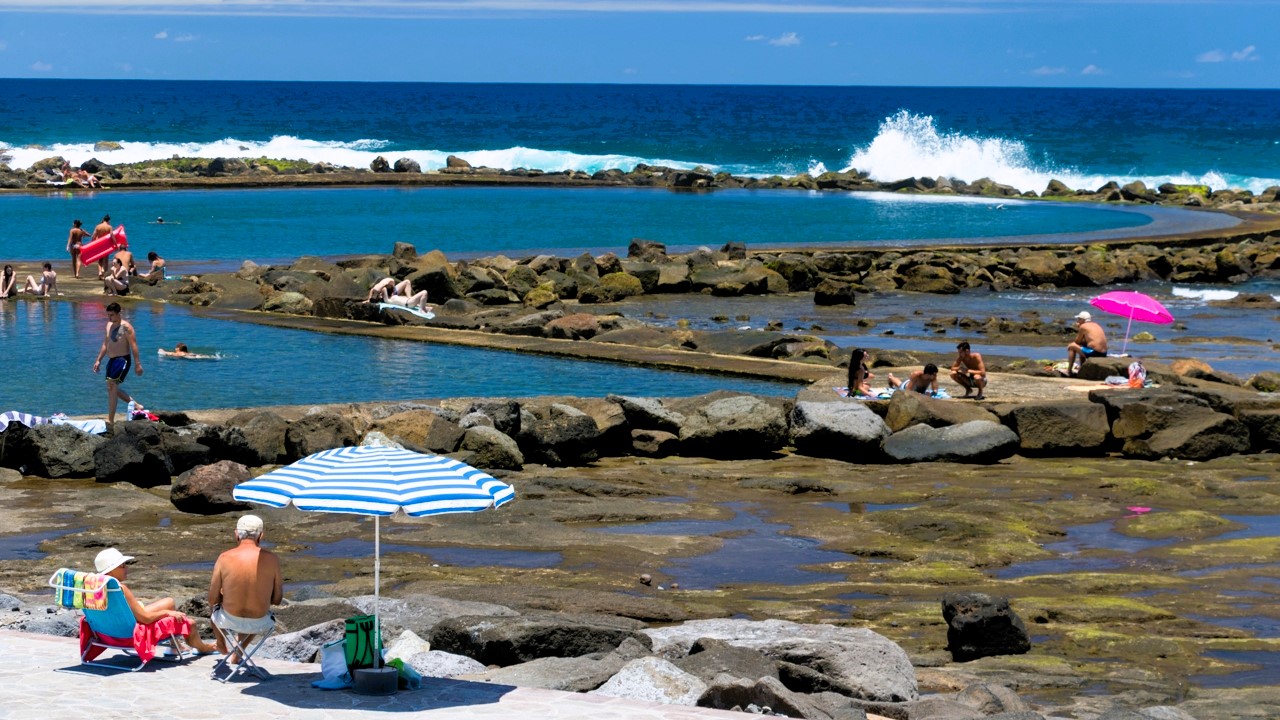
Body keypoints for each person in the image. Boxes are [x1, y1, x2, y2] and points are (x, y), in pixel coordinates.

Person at [93, 547, 218, 655]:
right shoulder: (119, 589)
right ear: (111, 570)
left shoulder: (94, 587)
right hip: (128, 635)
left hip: (106, 632)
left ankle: (175, 647)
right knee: (190, 623)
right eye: (122, 566)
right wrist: (167, 613)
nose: (127, 568)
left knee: (169, 602)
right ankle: (205, 648)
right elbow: (145, 619)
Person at [208, 515, 282, 662]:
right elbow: (277, 600)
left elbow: (212, 599)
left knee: (214, 607)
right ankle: (238, 654)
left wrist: (226, 595)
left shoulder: (224, 557)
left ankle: (221, 644)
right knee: (256, 606)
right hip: (259, 623)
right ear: (261, 535)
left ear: (236, 533)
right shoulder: (272, 559)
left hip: (227, 620)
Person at [92, 301, 145, 425]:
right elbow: (106, 344)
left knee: (112, 387)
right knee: (111, 388)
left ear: (119, 313)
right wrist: (98, 360)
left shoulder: (126, 327)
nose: (109, 318)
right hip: (112, 360)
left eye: (112, 315)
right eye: (108, 315)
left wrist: (138, 364)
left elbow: (134, 346)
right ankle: (137, 406)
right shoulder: (109, 326)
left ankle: (110, 419)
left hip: (122, 360)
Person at [1067, 310, 1108, 376]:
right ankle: (1082, 368)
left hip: (1095, 353)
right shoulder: (1096, 324)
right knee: (1082, 346)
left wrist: (1079, 327)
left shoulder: (1083, 326)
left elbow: (1077, 342)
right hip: (1103, 353)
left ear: (1082, 320)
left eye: (1078, 319)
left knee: (1071, 346)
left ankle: (1069, 371)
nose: (1077, 321)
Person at [92, 215, 113, 279]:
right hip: (106, 244)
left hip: (99, 244)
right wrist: (115, 244)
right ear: (108, 220)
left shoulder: (98, 226)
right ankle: (104, 273)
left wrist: (92, 244)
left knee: (100, 259)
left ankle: (100, 272)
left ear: (103, 219)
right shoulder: (109, 227)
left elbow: (93, 236)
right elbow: (112, 236)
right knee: (105, 259)